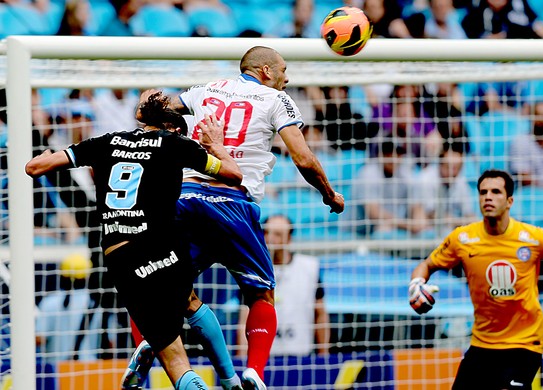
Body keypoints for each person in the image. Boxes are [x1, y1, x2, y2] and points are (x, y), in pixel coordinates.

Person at [127, 46, 345, 390]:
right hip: (233, 203)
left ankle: (147, 343)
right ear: (267, 72)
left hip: (184, 198)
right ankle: (254, 371)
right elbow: (302, 158)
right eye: (284, 70)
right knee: (260, 295)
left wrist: (146, 99)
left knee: (153, 284)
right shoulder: (277, 99)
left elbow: (147, 112)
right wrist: (329, 194)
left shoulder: (205, 89)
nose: (288, 78)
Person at [25, 92, 243, 390]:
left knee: (176, 360)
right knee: (191, 302)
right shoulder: (177, 144)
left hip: (124, 256)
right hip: (166, 246)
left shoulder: (106, 141)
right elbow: (234, 174)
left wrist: (40, 156)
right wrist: (216, 147)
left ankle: (149, 352)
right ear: (174, 127)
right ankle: (231, 381)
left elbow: (35, 168)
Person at [408, 169, 543, 390]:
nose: (488, 196)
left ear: (509, 201)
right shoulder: (462, 239)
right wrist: (416, 284)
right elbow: (427, 265)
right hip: (482, 343)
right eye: (483, 192)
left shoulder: (533, 238)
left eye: (496, 192)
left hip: (524, 343)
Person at [237, 215, 330, 357]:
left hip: (301, 354)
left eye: (277, 235)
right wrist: (242, 357)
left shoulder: (309, 268)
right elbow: (244, 319)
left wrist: (323, 353)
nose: (270, 239)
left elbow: (320, 314)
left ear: (289, 239)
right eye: (266, 233)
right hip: (263, 355)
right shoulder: (251, 271)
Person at [36, 253, 98, 362]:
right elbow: (111, 342)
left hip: (56, 369)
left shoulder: (50, 303)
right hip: (91, 369)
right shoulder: (97, 304)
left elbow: (39, 339)